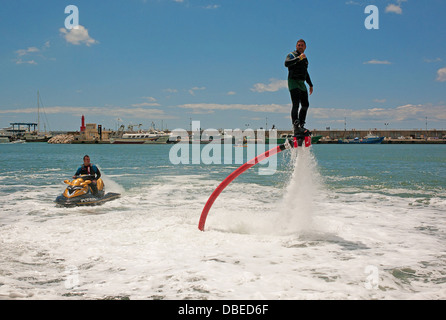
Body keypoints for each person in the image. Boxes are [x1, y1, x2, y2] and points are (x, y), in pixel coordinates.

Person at [284, 39, 314, 136]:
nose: (300, 46)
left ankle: (301, 126)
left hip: (302, 83)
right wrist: (299, 58)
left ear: (305, 47)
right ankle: (296, 126)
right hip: (293, 81)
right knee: (296, 104)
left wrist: (310, 84)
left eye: (302, 45)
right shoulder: (292, 55)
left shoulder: (305, 59)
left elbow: (306, 72)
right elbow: (286, 63)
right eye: (299, 45)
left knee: (305, 105)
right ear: (296, 46)